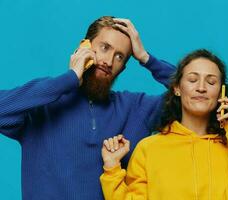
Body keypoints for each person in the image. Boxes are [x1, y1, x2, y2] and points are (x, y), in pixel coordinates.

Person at [0, 16, 175, 200]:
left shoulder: (135, 108)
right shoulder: (43, 103)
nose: (108, 61)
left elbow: (195, 95)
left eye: (119, 56)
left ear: (122, 68)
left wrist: (147, 59)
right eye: (105, 48)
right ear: (84, 46)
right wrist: (70, 78)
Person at [100, 49, 228, 200]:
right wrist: (112, 170)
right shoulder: (149, 149)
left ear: (220, 93)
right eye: (193, 79)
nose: (201, 88)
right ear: (177, 88)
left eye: (211, 82)